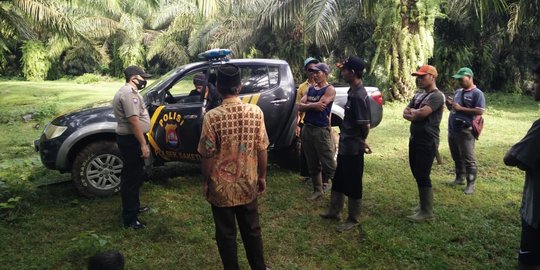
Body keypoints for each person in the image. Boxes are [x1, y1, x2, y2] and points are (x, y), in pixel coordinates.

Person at [198, 63, 269, 270]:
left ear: (218, 87)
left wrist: (206, 181)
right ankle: (259, 267)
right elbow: (262, 147)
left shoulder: (212, 117)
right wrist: (262, 176)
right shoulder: (256, 112)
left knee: (226, 233)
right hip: (248, 182)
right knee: (252, 229)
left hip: (221, 187)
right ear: (239, 87)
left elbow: (207, 154)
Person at [320, 56, 371, 232]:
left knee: (354, 181)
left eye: (345, 70)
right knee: (340, 178)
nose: (342, 72)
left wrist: (362, 140)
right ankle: (335, 210)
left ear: (353, 72)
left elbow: (365, 124)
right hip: (345, 144)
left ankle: (353, 217)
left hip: (353, 147)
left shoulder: (359, 95)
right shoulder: (352, 91)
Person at [503, 64, 540, 270]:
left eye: (537, 81)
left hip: (537, 215)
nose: (533, 86)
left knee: (528, 263)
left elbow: (510, 158)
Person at [403, 65, 444, 222]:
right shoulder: (419, 95)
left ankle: (427, 211)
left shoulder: (437, 96)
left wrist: (414, 113)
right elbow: (405, 112)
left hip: (427, 141)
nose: (419, 79)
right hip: (415, 138)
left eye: (422, 76)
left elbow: (423, 113)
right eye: (418, 77)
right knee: (416, 171)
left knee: (422, 173)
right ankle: (422, 205)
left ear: (432, 77)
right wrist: (414, 113)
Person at [112, 65, 152, 229]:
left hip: (131, 139)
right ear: (134, 78)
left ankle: (134, 207)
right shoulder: (129, 94)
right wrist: (143, 144)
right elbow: (134, 121)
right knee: (131, 179)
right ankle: (130, 219)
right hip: (131, 140)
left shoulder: (129, 92)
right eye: (143, 77)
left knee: (134, 177)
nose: (145, 80)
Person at [298, 62, 337, 201]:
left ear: (325, 73)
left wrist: (308, 105)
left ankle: (339, 193)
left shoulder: (329, 89)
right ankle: (317, 190)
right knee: (312, 161)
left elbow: (323, 105)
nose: (315, 75)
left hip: (321, 130)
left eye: (318, 72)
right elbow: (299, 106)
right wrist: (313, 105)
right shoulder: (310, 89)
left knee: (329, 163)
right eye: (313, 72)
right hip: (307, 128)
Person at [446, 67, 486, 194]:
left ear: (470, 78)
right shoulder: (458, 92)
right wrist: (450, 105)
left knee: (469, 159)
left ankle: (470, 185)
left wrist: (461, 108)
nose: (460, 82)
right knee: (456, 156)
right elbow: (455, 108)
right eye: (458, 80)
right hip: (453, 129)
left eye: (462, 79)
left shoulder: (477, 93)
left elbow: (480, 110)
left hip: (466, 131)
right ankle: (459, 178)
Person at [296, 57, 320, 182]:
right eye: (311, 69)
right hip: (305, 122)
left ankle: (322, 179)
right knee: (306, 150)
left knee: (318, 150)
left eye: (317, 69)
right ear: (306, 71)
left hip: (318, 124)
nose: (314, 72)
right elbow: (298, 107)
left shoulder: (324, 86)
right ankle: (309, 175)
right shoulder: (302, 87)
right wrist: (297, 125)